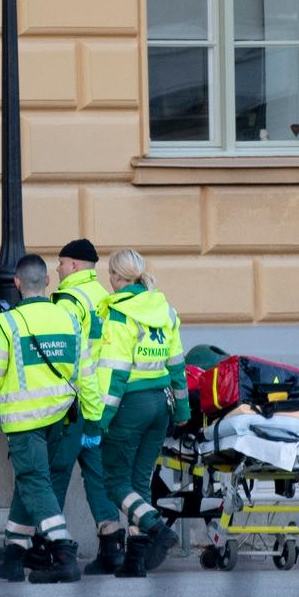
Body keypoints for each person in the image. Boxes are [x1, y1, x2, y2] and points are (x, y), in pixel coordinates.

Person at [0, 254, 102, 583]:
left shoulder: (8, 324)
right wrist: (94, 421)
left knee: (34, 482)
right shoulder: (69, 320)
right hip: (60, 419)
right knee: (29, 484)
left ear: (16, 283)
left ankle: (63, 553)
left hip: (25, 421)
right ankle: (14, 553)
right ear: (46, 282)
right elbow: (86, 375)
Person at [86, 248, 188, 578]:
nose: (109, 281)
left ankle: (156, 527)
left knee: (115, 481)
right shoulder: (165, 310)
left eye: (110, 275)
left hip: (130, 406)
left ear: (117, 277)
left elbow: (113, 375)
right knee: (139, 482)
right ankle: (135, 562)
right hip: (160, 405)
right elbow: (177, 366)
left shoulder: (119, 316)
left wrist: (99, 420)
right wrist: (182, 409)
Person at [50, 238, 123, 574]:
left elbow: (62, 350)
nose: (58, 269)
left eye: (62, 263)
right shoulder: (105, 297)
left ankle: (52, 545)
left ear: (75, 265)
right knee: (97, 475)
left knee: (57, 473)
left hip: (74, 401)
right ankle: (112, 544)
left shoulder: (69, 300)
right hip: (104, 402)